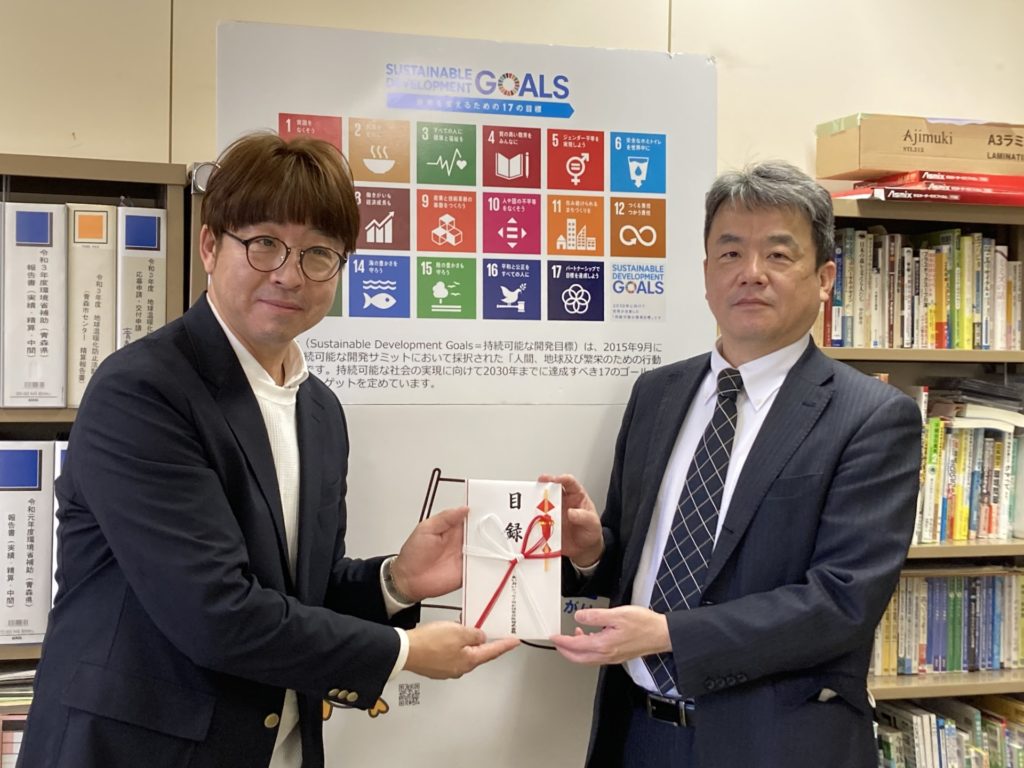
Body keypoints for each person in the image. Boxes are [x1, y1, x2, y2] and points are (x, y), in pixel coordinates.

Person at [19, 132, 518, 768]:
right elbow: (216, 613)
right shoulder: (143, 391)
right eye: (264, 243)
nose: (289, 273)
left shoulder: (319, 409)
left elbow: (299, 592)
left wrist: (396, 582)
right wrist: (405, 653)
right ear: (209, 245)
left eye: (319, 253)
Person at [545, 161, 921, 768]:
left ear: (825, 278)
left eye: (778, 254)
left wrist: (671, 634)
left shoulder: (873, 417)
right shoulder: (656, 393)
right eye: (730, 253)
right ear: (705, 275)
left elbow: (842, 603)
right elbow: (641, 565)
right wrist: (592, 551)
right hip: (636, 732)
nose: (751, 273)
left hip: (775, 744)